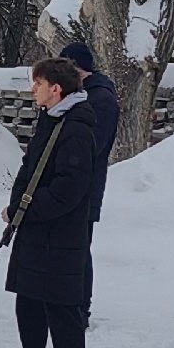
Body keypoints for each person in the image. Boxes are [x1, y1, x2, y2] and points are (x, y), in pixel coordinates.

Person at [0, 58, 104, 348]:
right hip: (35, 230)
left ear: (57, 88)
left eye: (37, 84)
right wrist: (17, 208)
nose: (32, 90)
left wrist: (29, 209)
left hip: (60, 234)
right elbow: (30, 169)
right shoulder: (51, 119)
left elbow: (71, 187)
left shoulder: (77, 127)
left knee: (63, 312)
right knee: (29, 305)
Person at [60, 41, 121, 222]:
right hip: (65, 189)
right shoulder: (75, 94)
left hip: (83, 191)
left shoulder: (101, 100)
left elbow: (90, 147)